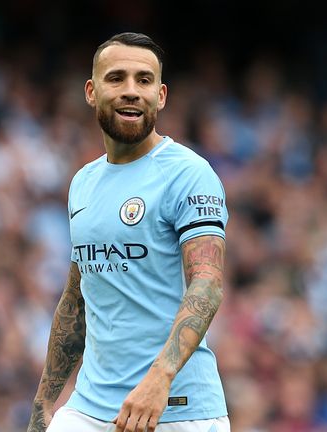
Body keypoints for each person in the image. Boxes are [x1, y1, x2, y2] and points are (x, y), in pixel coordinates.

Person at [27, 32, 230, 432]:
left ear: (161, 95)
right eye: (116, 78)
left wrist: (159, 378)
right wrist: (44, 402)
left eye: (144, 80)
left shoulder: (188, 174)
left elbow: (206, 283)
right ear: (91, 91)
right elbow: (76, 299)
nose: (131, 91)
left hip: (177, 410)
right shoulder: (83, 183)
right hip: (89, 408)